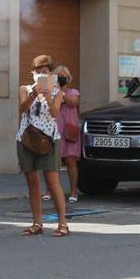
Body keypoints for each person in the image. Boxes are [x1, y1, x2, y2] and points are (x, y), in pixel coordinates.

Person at [17, 55, 69, 237]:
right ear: (32, 73)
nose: (40, 74)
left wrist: (47, 96)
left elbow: (55, 113)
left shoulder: (57, 91)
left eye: (44, 72)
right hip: (27, 138)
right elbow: (22, 109)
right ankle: (37, 223)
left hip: (49, 138)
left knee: (52, 181)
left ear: (50, 74)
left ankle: (63, 223)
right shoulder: (25, 89)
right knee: (32, 182)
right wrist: (33, 94)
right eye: (37, 71)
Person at [46, 65, 81, 203]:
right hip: (54, 130)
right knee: (52, 163)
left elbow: (72, 103)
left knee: (71, 161)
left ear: (69, 78)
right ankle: (49, 190)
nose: (61, 78)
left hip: (69, 131)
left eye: (64, 76)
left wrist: (62, 92)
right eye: (58, 76)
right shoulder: (51, 92)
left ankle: (73, 192)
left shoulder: (73, 92)